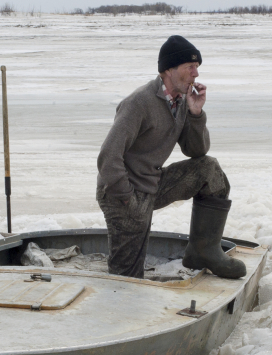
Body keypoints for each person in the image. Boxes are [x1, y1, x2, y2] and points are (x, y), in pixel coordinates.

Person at [95, 35, 245, 279]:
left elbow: (196, 151)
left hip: (152, 183)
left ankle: (202, 250)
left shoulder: (181, 102)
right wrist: (126, 199)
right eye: (190, 67)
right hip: (122, 194)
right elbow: (108, 157)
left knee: (209, 171)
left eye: (197, 67)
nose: (196, 74)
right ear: (169, 70)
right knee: (127, 277)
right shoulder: (139, 102)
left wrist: (196, 113)